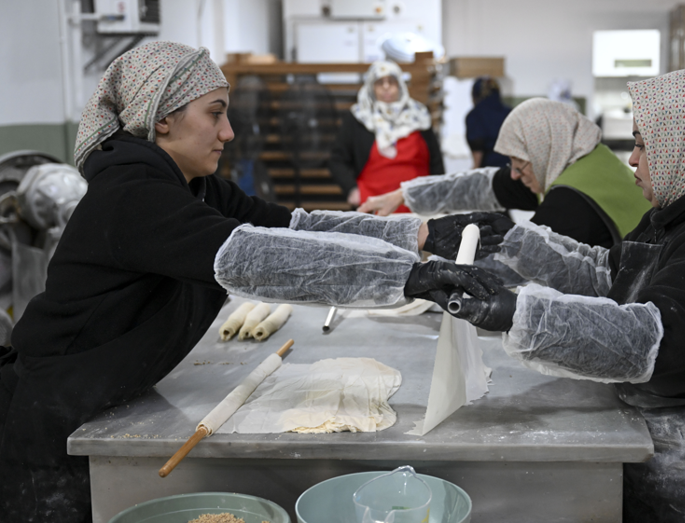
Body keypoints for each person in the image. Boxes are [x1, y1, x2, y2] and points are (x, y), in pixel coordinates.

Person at [0, 41, 504, 522]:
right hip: (50, 420)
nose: (229, 132)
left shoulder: (192, 187)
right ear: (162, 119)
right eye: (215, 113)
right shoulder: (133, 197)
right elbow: (258, 257)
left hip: (100, 401)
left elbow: (291, 226)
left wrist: (420, 233)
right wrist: (408, 277)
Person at [434, 66, 685, 521]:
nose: (633, 160)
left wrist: (513, 312)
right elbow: (610, 273)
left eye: (643, 144)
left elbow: (647, 338)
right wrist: (514, 242)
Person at [358, 98, 651, 248]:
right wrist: (402, 194)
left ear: (541, 150)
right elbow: (481, 186)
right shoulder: (574, 157)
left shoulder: (571, 201)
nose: (513, 174)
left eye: (519, 164)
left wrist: (424, 245)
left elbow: (514, 260)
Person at [329, 60, 444, 211]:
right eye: (379, 82)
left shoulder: (419, 115)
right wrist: (351, 189)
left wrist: (440, 197)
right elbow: (337, 160)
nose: (386, 87)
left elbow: (436, 163)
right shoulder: (358, 117)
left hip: (418, 207)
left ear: (400, 86)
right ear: (371, 87)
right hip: (372, 208)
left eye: (392, 81)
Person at [465, 76, 511, 168]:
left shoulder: (475, 115)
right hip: (512, 168)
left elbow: (477, 149)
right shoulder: (510, 112)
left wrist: (474, 171)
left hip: (490, 170)